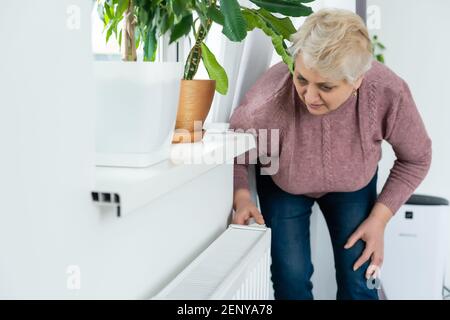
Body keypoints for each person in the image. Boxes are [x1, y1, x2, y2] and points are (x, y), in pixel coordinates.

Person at [229, 8, 432, 300]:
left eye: (325, 86)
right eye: (301, 79)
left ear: (358, 80)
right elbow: (236, 145)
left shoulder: (387, 92)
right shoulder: (266, 102)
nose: (309, 97)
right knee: (291, 281)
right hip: (284, 183)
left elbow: (417, 157)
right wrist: (242, 195)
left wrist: (380, 219)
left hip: (354, 183)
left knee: (360, 280)